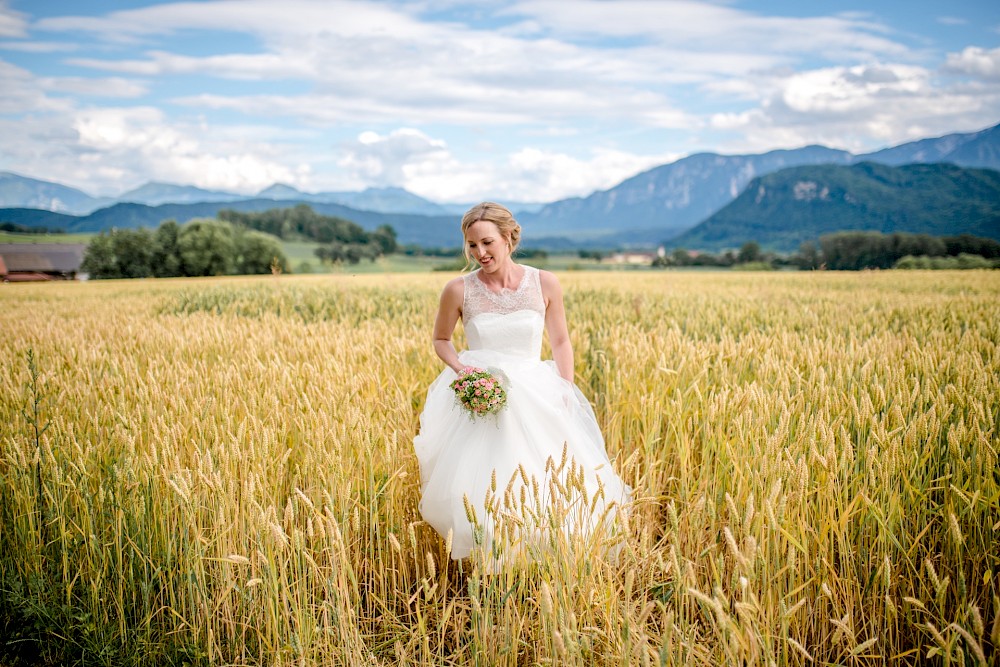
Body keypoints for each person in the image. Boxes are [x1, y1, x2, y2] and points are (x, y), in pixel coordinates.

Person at [413, 202, 631, 566]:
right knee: (486, 484)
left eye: (487, 243)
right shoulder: (457, 290)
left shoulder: (544, 282)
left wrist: (564, 389)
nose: (479, 253)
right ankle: (495, 566)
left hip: (536, 392)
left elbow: (560, 341)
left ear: (509, 238)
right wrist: (462, 371)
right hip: (483, 397)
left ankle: (547, 564)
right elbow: (441, 340)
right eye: (471, 245)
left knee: (547, 479)